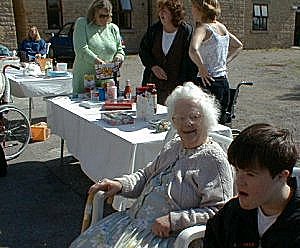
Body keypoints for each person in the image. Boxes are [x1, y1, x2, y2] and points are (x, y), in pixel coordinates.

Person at [70, 82, 233, 247]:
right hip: (134, 224)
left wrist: (174, 220)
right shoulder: (174, 146)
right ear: (173, 121)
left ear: (207, 118)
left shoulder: (214, 160)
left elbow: (220, 211)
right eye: (180, 118)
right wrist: (120, 184)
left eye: (194, 117)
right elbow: (146, 175)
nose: (187, 123)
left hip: (166, 237)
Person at [203, 123, 300, 248]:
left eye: (250, 174)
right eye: (237, 170)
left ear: (282, 176)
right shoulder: (231, 214)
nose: (239, 181)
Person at [189, 0, 243, 124]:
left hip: (207, 83)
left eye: (193, 7)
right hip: (223, 82)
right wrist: (223, 62)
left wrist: (201, 67)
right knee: (220, 123)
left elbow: (193, 49)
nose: (191, 10)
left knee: (204, 124)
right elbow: (238, 45)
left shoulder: (203, 28)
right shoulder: (221, 27)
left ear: (200, 9)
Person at [139, 0, 198, 105]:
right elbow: (143, 51)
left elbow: (190, 62)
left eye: (164, 11)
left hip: (177, 87)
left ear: (174, 14)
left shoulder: (186, 32)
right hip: (154, 86)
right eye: (160, 10)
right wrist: (153, 66)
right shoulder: (154, 30)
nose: (161, 13)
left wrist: (187, 86)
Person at [72, 0, 125, 94]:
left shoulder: (113, 28)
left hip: (107, 79)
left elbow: (120, 49)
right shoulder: (82, 24)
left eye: (108, 16)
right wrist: (99, 63)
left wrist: (119, 58)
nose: (105, 19)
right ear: (93, 14)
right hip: (86, 79)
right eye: (102, 16)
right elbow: (81, 50)